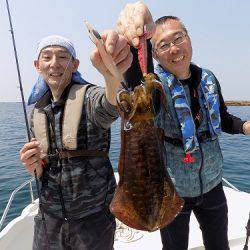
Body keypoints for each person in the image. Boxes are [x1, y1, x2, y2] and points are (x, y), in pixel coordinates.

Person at [117, 2, 250, 250]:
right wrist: (139, 34)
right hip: (173, 190)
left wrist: (245, 126)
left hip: (212, 184)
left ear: (189, 38)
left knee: (219, 246)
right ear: (154, 54)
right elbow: (136, 84)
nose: (174, 48)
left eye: (178, 38)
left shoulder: (208, 78)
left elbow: (222, 117)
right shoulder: (154, 86)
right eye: (163, 45)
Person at [19, 32, 132, 250]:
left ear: (74, 64)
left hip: (93, 219)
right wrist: (32, 165)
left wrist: (112, 77)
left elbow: (111, 106)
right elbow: (40, 166)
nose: (54, 64)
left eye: (63, 57)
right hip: (48, 218)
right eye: (47, 57)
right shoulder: (36, 112)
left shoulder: (90, 97)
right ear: (37, 65)